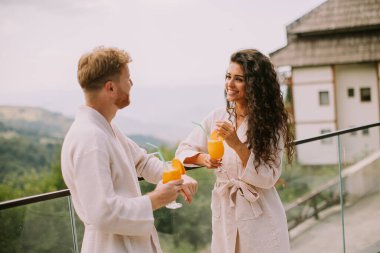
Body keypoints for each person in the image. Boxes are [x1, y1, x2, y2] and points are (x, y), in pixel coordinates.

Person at [61, 46, 198, 253]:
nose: (132, 83)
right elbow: (102, 213)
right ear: (111, 88)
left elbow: (141, 162)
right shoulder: (89, 138)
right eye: (127, 78)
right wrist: (157, 198)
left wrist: (176, 176)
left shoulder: (106, 128)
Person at [175, 49, 294, 253]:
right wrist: (203, 158)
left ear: (255, 85)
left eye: (238, 79)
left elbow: (268, 177)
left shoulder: (272, 124)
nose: (229, 84)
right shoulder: (218, 117)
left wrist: (237, 144)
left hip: (261, 217)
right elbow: (183, 150)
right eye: (228, 77)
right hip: (225, 210)